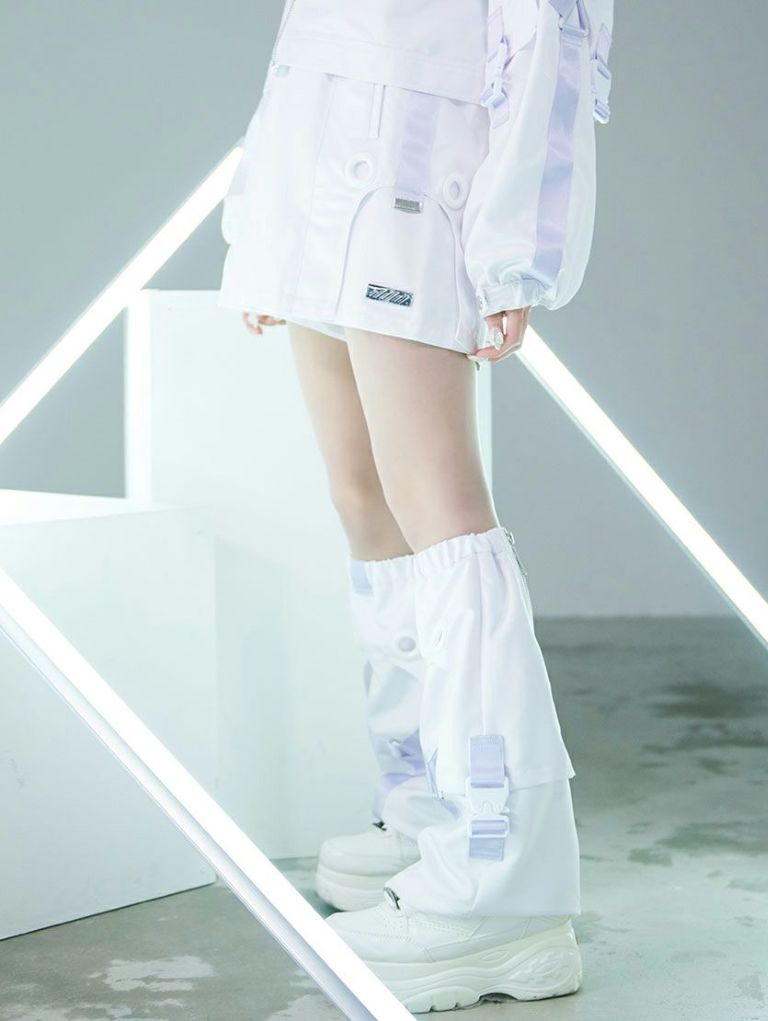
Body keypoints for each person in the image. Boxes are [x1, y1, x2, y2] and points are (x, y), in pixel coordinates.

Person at [217, 0, 614, 1010]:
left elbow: (547, 46)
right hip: (318, 186)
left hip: (415, 189)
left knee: (442, 518)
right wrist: (263, 211)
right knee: (364, 502)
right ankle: (428, 808)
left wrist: (515, 248)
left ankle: (502, 881)